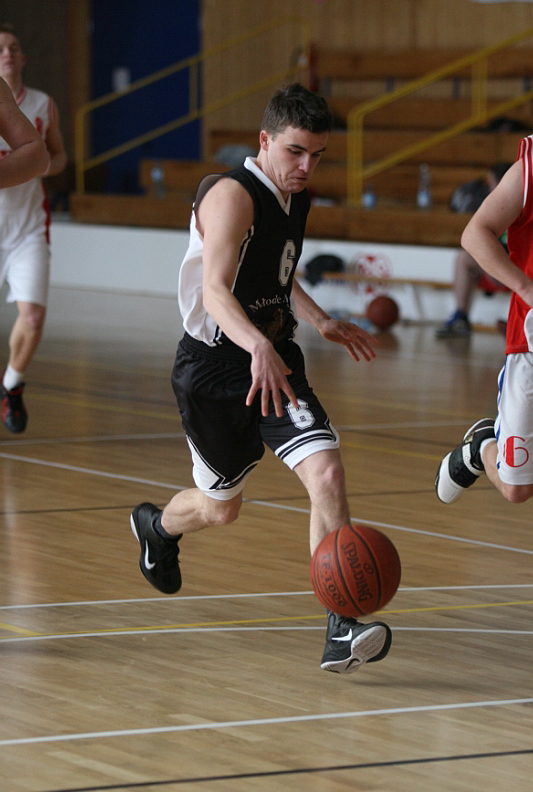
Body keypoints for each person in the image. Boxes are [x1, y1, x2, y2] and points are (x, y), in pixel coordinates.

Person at [130, 83, 392, 674]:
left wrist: (320, 320)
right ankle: (158, 528)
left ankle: (340, 626)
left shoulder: (295, 196)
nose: (307, 167)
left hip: (274, 359)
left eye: (318, 155)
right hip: (214, 370)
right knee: (220, 509)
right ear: (265, 140)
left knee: (327, 471)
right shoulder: (231, 196)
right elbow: (214, 292)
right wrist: (256, 345)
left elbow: (278, 272)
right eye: (296, 152)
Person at [435, 137, 533, 506]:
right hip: (530, 342)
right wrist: (525, 287)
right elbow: (474, 234)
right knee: (517, 489)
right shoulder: (530, 168)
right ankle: (481, 446)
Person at [0, 23, 67, 434]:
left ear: (23, 57)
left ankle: (11, 384)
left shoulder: (42, 104)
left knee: (34, 317)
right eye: (1, 48)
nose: (8, 53)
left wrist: (39, 165)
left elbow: (56, 156)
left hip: (27, 229)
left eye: (13, 47)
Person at [435, 163, 511, 339]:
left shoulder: (517, 203)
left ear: (500, 182)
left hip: (518, 265)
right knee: (465, 256)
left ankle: (519, 322)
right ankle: (461, 317)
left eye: (490, 182)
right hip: (503, 265)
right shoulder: (490, 205)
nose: (488, 186)